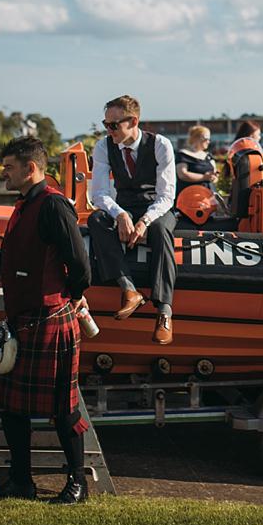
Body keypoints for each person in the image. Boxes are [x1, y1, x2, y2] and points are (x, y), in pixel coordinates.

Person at [0, 136, 92, 504]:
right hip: (23, 319)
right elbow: (4, 261)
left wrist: (69, 297)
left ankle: (77, 484)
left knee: (63, 410)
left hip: (51, 317)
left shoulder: (53, 206)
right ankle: (21, 481)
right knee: (11, 407)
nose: (3, 172)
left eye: (8, 166)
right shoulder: (25, 204)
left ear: (30, 168)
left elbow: (81, 267)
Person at [87, 94, 178, 345]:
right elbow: (100, 194)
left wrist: (145, 221)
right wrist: (122, 215)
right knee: (97, 221)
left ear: (133, 121)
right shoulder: (104, 147)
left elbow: (167, 196)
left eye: (114, 125)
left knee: (160, 231)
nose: (109, 130)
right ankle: (129, 290)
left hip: (156, 207)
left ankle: (164, 313)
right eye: (106, 124)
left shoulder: (160, 144)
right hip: (124, 204)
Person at [175, 125, 217, 194]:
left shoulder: (208, 156)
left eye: (209, 139)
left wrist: (213, 177)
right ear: (196, 138)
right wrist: (204, 177)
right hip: (188, 195)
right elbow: (182, 175)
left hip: (207, 196)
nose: (208, 142)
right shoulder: (183, 154)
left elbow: (214, 176)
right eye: (206, 139)